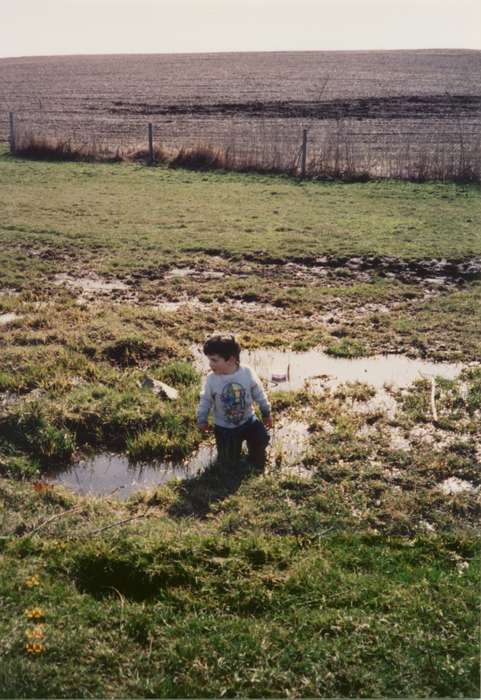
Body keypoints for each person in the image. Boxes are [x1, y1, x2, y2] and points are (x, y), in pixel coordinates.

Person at [197, 333, 273, 469]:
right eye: (209, 360)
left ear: (231, 360)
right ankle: (231, 459)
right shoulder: (212, 379)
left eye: (214, 360)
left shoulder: (246, 373)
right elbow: (205, 400)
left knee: (261, 438)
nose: (210, 364)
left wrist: (266, 412)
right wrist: (202, 419)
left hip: (248, 421)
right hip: (225, 428)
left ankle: (256, 460)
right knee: (228, 462)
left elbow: (259, 393)